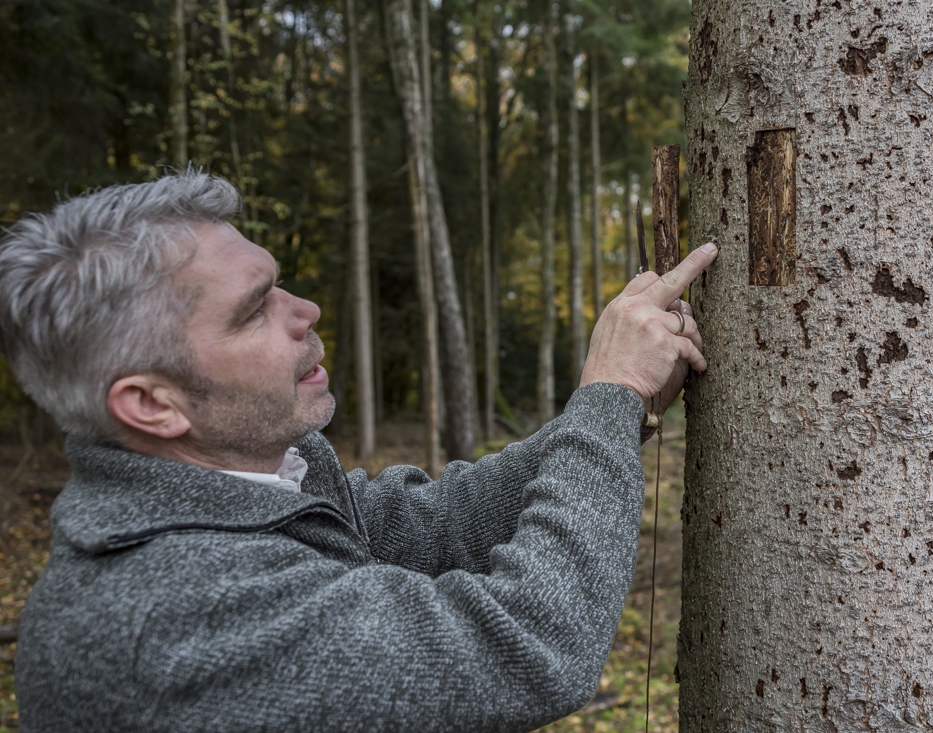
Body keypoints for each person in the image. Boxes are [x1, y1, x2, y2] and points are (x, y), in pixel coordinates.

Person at [0, 173, 716, 732]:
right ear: (153, 404)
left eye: (276, 283)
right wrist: (609, 392)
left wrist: (623, 413)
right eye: (255, 309)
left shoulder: (255, 483)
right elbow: (530, 643)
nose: (304, 309)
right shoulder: (170, 624)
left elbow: (437, 524)